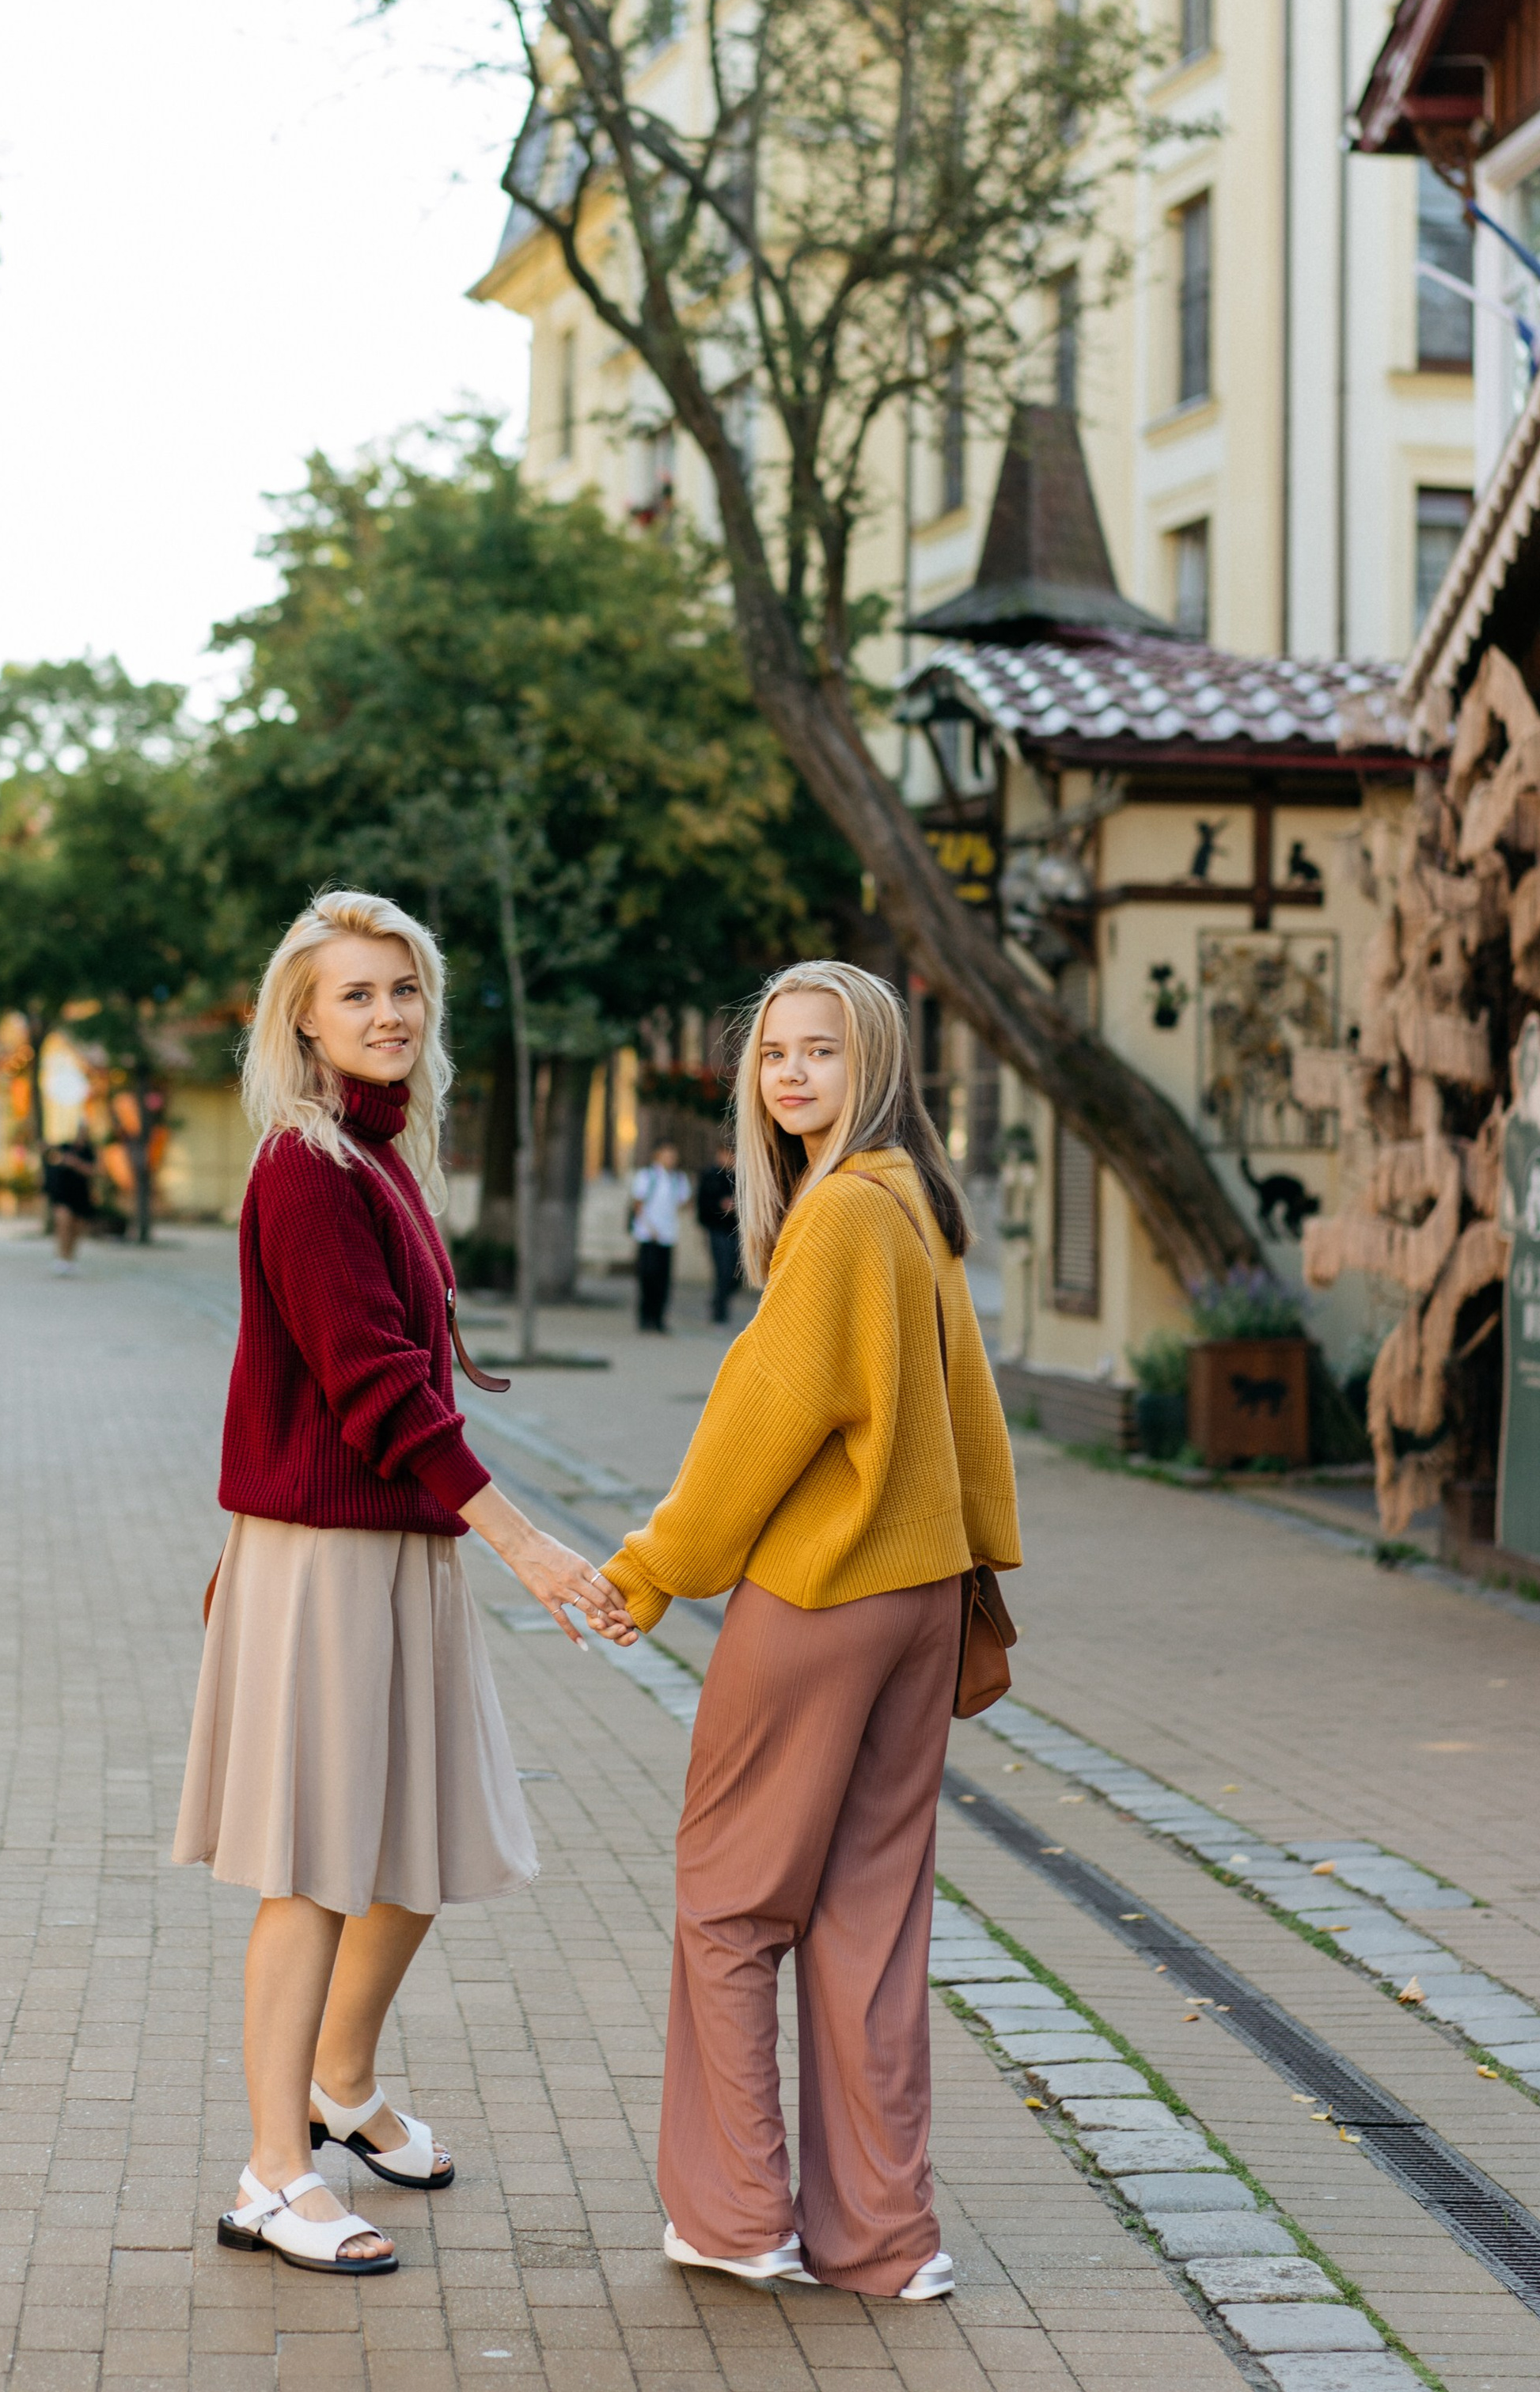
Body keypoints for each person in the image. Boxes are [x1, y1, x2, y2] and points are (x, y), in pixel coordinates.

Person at [173, 889, 638, 2280]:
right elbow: (368, 1388)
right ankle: (270, 2174)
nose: (386, 1012)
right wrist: (533, 1544)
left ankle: (343, 2085)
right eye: (356, 993)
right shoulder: (305, 1167)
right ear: (301, 1017)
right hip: (332, 1559)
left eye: (403, 990)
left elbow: (326, 1378)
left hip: (393, 1549)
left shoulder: (382, 1160)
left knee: (429, 1841)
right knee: (314, 1867)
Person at [601, 960, 1020, 2300]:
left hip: (821, 1597)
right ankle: (885, 2244)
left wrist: (653, 1571)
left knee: (729, 1904)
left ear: (875, 1067)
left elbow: (755, 1431)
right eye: (774, 1053)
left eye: (820, 1052)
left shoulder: (841, 1217)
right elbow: (973, 1426)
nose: (789, 1073)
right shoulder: (918, 1207)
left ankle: (738, 2219)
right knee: (871, 1926)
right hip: (919, 1603)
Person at [629, 1138, 692, 1332]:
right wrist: (649, 1228)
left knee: (663, 1280)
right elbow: (638, 1203)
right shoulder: (647, 1176)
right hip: (648, 1235)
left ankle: (659, 1318)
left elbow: (684, 1202)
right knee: (648, 1277)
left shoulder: (678, 1179)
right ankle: (645, 1317)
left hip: (668, 1235)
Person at [696, 1141, 741, 1326]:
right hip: (717, 1230)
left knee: (737, 1273)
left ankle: (718, 1300)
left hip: (736, 1231)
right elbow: (703, 1205)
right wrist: (719, 1207)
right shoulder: (710, 1176)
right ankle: (720, 1311)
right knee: (723, 1270)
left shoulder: (739, 1176)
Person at [44, 1127, 97, 1271]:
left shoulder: (90, 1151)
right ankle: (61, 1257)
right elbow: (51, 1155)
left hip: (81, 1195)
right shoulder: (65, 1147)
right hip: (63, 1194)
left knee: (76, 1229)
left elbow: (95, 1171)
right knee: (63, 1223)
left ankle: (70, 1258)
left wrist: (76, 1164)